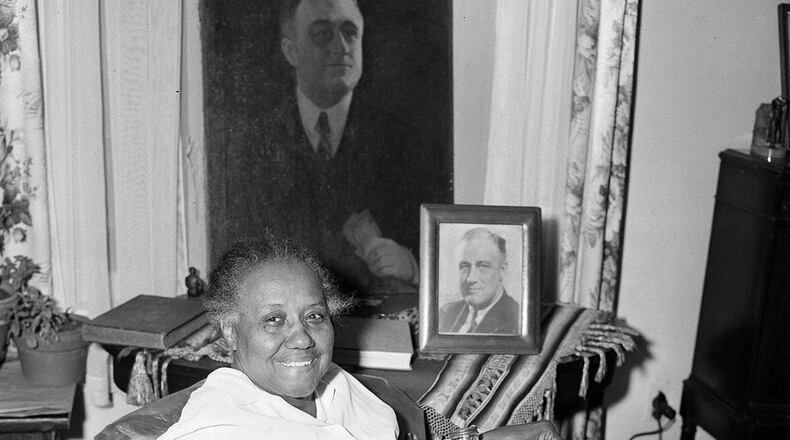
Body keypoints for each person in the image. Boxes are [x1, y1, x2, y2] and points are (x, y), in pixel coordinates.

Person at [158, 233, 559, 440]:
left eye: (314, 316)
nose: (302, 339)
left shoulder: (335, 388)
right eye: (274, 320)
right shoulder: (219, 428)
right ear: (230, 331)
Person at [222, 0, 447, 296]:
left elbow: (442, 252)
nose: (341, 46)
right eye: (322, 33)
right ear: (291, 51)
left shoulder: (405, 138)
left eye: (350, 32)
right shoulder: (252, 141)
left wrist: (414, 267)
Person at [439, 228, 521, 334]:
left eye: (483, 266)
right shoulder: (448, 312)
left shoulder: (517, 320)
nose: (470, 278)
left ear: (502, 270)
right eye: (464, 267)